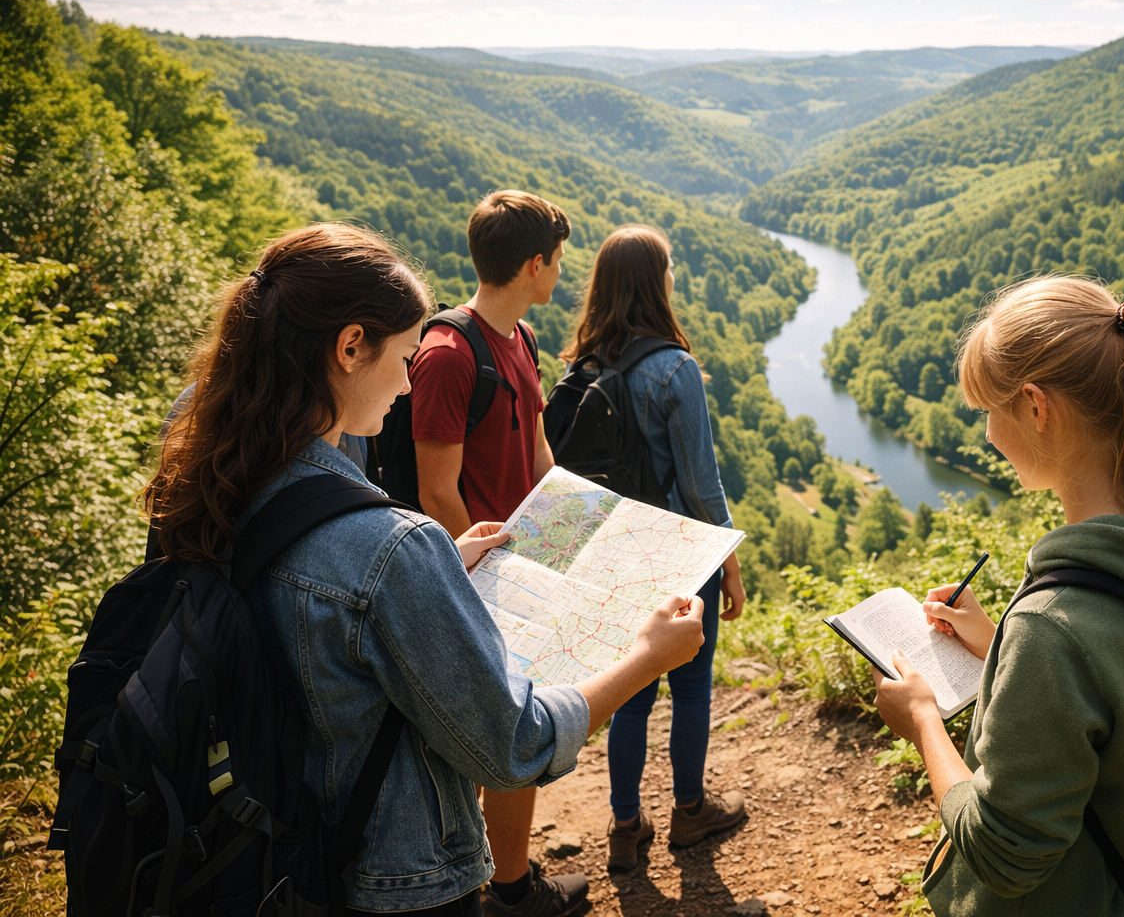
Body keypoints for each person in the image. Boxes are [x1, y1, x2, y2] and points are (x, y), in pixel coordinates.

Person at [144, 223, 707, 915]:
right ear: (350, 347)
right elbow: (512, 745)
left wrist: (441, 561)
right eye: (405, 356)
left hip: (247, 843)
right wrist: (648, 656)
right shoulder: (389, 552)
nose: (411, 381)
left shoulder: (205, 455)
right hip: (388, 879)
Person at [872, 276, 1124, 915]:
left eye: (990, 410)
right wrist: (998, 644)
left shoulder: (1057, 627)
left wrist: (925, 721)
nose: (986, 434)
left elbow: (1005, 854)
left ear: (1037, 407)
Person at [558, 225, 749, 873]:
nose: (674, 277)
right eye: (669, 267)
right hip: (678, 555)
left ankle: (623, 825)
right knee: (691, 690)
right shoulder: (674, 369)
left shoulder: (580, 368)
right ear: (654, 281)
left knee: (631, 696)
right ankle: (690, 813)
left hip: (612, 554)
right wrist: (728, 561)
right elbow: (701, 484)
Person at [407, 191, 572, 914]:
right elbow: (437, 491)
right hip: (477, 575)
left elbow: (534, 448)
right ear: (534, 264)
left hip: (527, 562)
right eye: (559, 259)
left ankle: (504, 879)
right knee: (501, 733)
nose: (561, 271)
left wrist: (580, 523)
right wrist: (490, 571)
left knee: (513, 730)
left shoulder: (523, 338)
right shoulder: (448, 355)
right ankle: (500, 890)